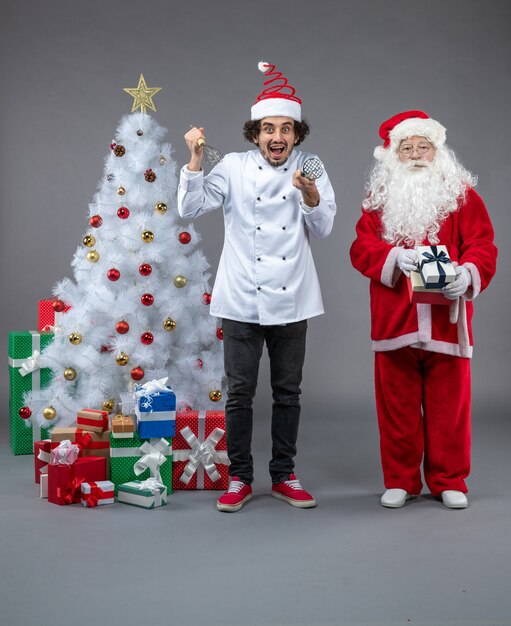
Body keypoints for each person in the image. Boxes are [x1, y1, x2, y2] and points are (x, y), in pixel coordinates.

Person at [178, 61, 336, 512]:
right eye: (268, 129)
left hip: (294, 296)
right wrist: (193, 160)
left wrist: (309, 195)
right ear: (254, 135)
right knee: (239, 393)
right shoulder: (230, 166)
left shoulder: (312, 167)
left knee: (289, 392)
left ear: (298, 134)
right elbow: (190, 207)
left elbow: (324, 228)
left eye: (287, 129)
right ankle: (240, 478)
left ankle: (285, 475)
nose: (278, 137)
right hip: (241, 298)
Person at [350, 110, 497, 509]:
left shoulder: (462, 196)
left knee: (449, 407)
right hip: (394, 320)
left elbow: (483, 245)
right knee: (396, 408)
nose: (416, 155)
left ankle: (449, 479)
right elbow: (360, 249)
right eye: (407, 147)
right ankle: (400, 479)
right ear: (393, 155)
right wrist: (394, 257)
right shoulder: (378, 201)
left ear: (438, 151)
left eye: (424, 146)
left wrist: (468, 274)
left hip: (448, 323)